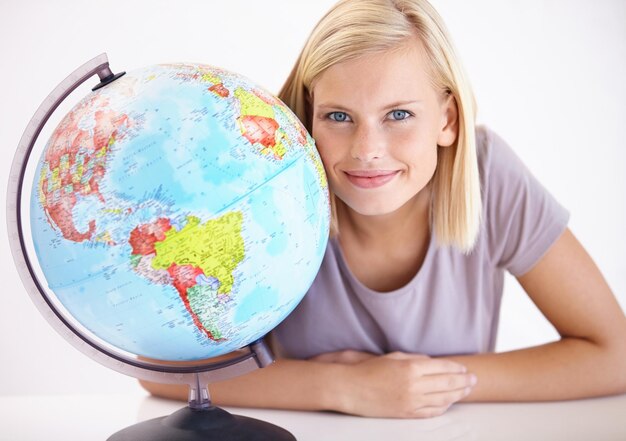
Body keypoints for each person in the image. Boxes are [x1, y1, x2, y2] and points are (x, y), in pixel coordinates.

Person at [141, 0, 626, 418]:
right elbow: (160, 371)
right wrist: (343, 388)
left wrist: (422, 384)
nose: (367, 149)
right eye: (338, 116)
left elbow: (615, 355)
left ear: (448, 120)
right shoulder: (265, 189)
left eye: (398, 115)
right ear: (308, 117)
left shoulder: (488, 174)